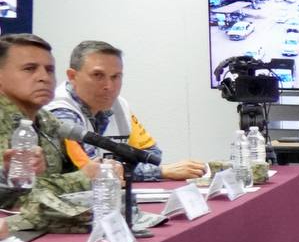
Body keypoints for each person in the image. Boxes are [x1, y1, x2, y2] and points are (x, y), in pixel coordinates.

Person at [46, 40, 206, 181]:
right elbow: (90, 170)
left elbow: (152, 155)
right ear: (72, 76)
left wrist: (120, 168)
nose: (109, 86)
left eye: (116, 77)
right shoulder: (61, 111)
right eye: (98, 75)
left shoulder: (118, 105)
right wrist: (161, 171)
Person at [0, 33, 72, 182]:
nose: (44, 77)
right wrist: (85, 178)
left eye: (49, 70)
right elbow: (22, 199)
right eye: (29, 68)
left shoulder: (48, 120)